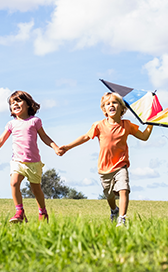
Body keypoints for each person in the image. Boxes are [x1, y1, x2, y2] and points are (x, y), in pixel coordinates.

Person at [59, 92, 152, 226]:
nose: (111, 105)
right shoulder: (99, 125)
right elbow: (85, 137)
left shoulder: (127, 125)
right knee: (109, 195)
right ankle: (114, 210)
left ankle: (122, 219)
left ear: (122, 108)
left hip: (121, 165)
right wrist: (68, 147)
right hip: (104, 168)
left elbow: (144, 137)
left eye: (114, 102)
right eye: (107, 104)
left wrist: (151, 123)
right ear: (104, 110)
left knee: (124, 189)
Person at [0, 90, 60, 223]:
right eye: (12, 103)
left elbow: (44, 136)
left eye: (18, 101)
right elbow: (1, 139)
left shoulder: (34, 121)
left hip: (34, 163)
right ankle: (19, 212)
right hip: (17, 161)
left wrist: (55, 147)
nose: (15, 104)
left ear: (28, 104)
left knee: (36, 189)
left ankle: (42, 212)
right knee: (14, 183)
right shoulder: (11, 124)